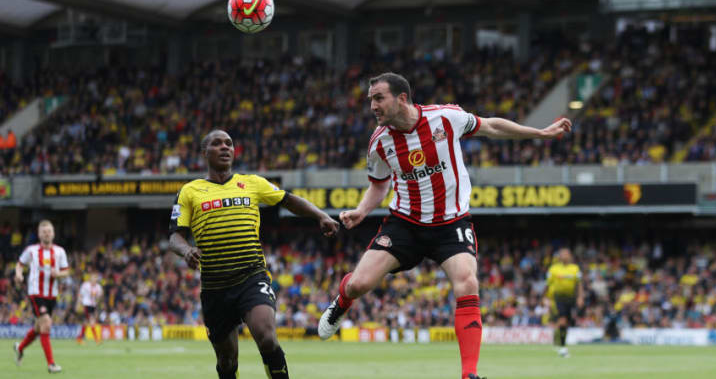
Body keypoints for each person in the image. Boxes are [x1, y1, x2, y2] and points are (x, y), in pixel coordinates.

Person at [317, 72, 572, 379]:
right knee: (359, 285)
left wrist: (541, 133)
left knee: (467, 281)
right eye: (371, 99)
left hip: (451, 223)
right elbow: (379, 185)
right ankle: (342, 300)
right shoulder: (379, 143)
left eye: (378, 98)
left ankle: (469, 374)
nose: (372, 106)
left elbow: (490, 126)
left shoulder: (445, 118)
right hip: (405, 223)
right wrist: (361, 210)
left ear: (401, 98)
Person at [169, 129, 339, 379]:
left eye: (229, 143)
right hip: (215, 286)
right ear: (204, 153)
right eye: (217, 144)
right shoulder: (190, 191)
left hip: (251, 277)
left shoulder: (252, 183)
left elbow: (288, 200)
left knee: (267, 338)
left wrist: (320, 215)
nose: (225, 147)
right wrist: (186, 251)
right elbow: (175, 235)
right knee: (226, 361)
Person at [13, 219, 69, 373]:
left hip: (52, 294)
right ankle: (51, 365)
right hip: (36, 292)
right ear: (39, 234)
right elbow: (19, 264)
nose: (47, 234)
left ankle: (20, 347)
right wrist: (19, 274)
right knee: (46, 323)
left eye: (49, 231)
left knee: (39, 328)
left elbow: (66, 271)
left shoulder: (60, 251)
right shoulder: (31, 250)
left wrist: (58, 274)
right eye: (44, 231)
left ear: (53, 233)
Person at [544, 248, 583, 357]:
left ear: (570, 256)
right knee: (563, 319)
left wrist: (580, 297)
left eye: (566, 254)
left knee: (566, 322)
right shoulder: (553, 269)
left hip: (571, 297)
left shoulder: (575, 268)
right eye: (562, 254)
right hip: (558, 297)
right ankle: (562, 347)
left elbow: (579, 284)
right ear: (559, 257)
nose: (564, 256)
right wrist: (545, 298)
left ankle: (558, 337)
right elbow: (547, 284)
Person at [76, 271, 103, 344]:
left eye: (96, 278)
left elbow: (99, 296)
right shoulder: (85, 285)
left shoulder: (98, 287)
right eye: (93, 278)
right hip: (86, 305)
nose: (95, 280)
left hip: (93, 306)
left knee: (86, 322)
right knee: (92, 321)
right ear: (90, 278)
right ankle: (96, 339)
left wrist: (98, 298)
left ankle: (79, 338)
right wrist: (79, 303)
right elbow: (80, 294)